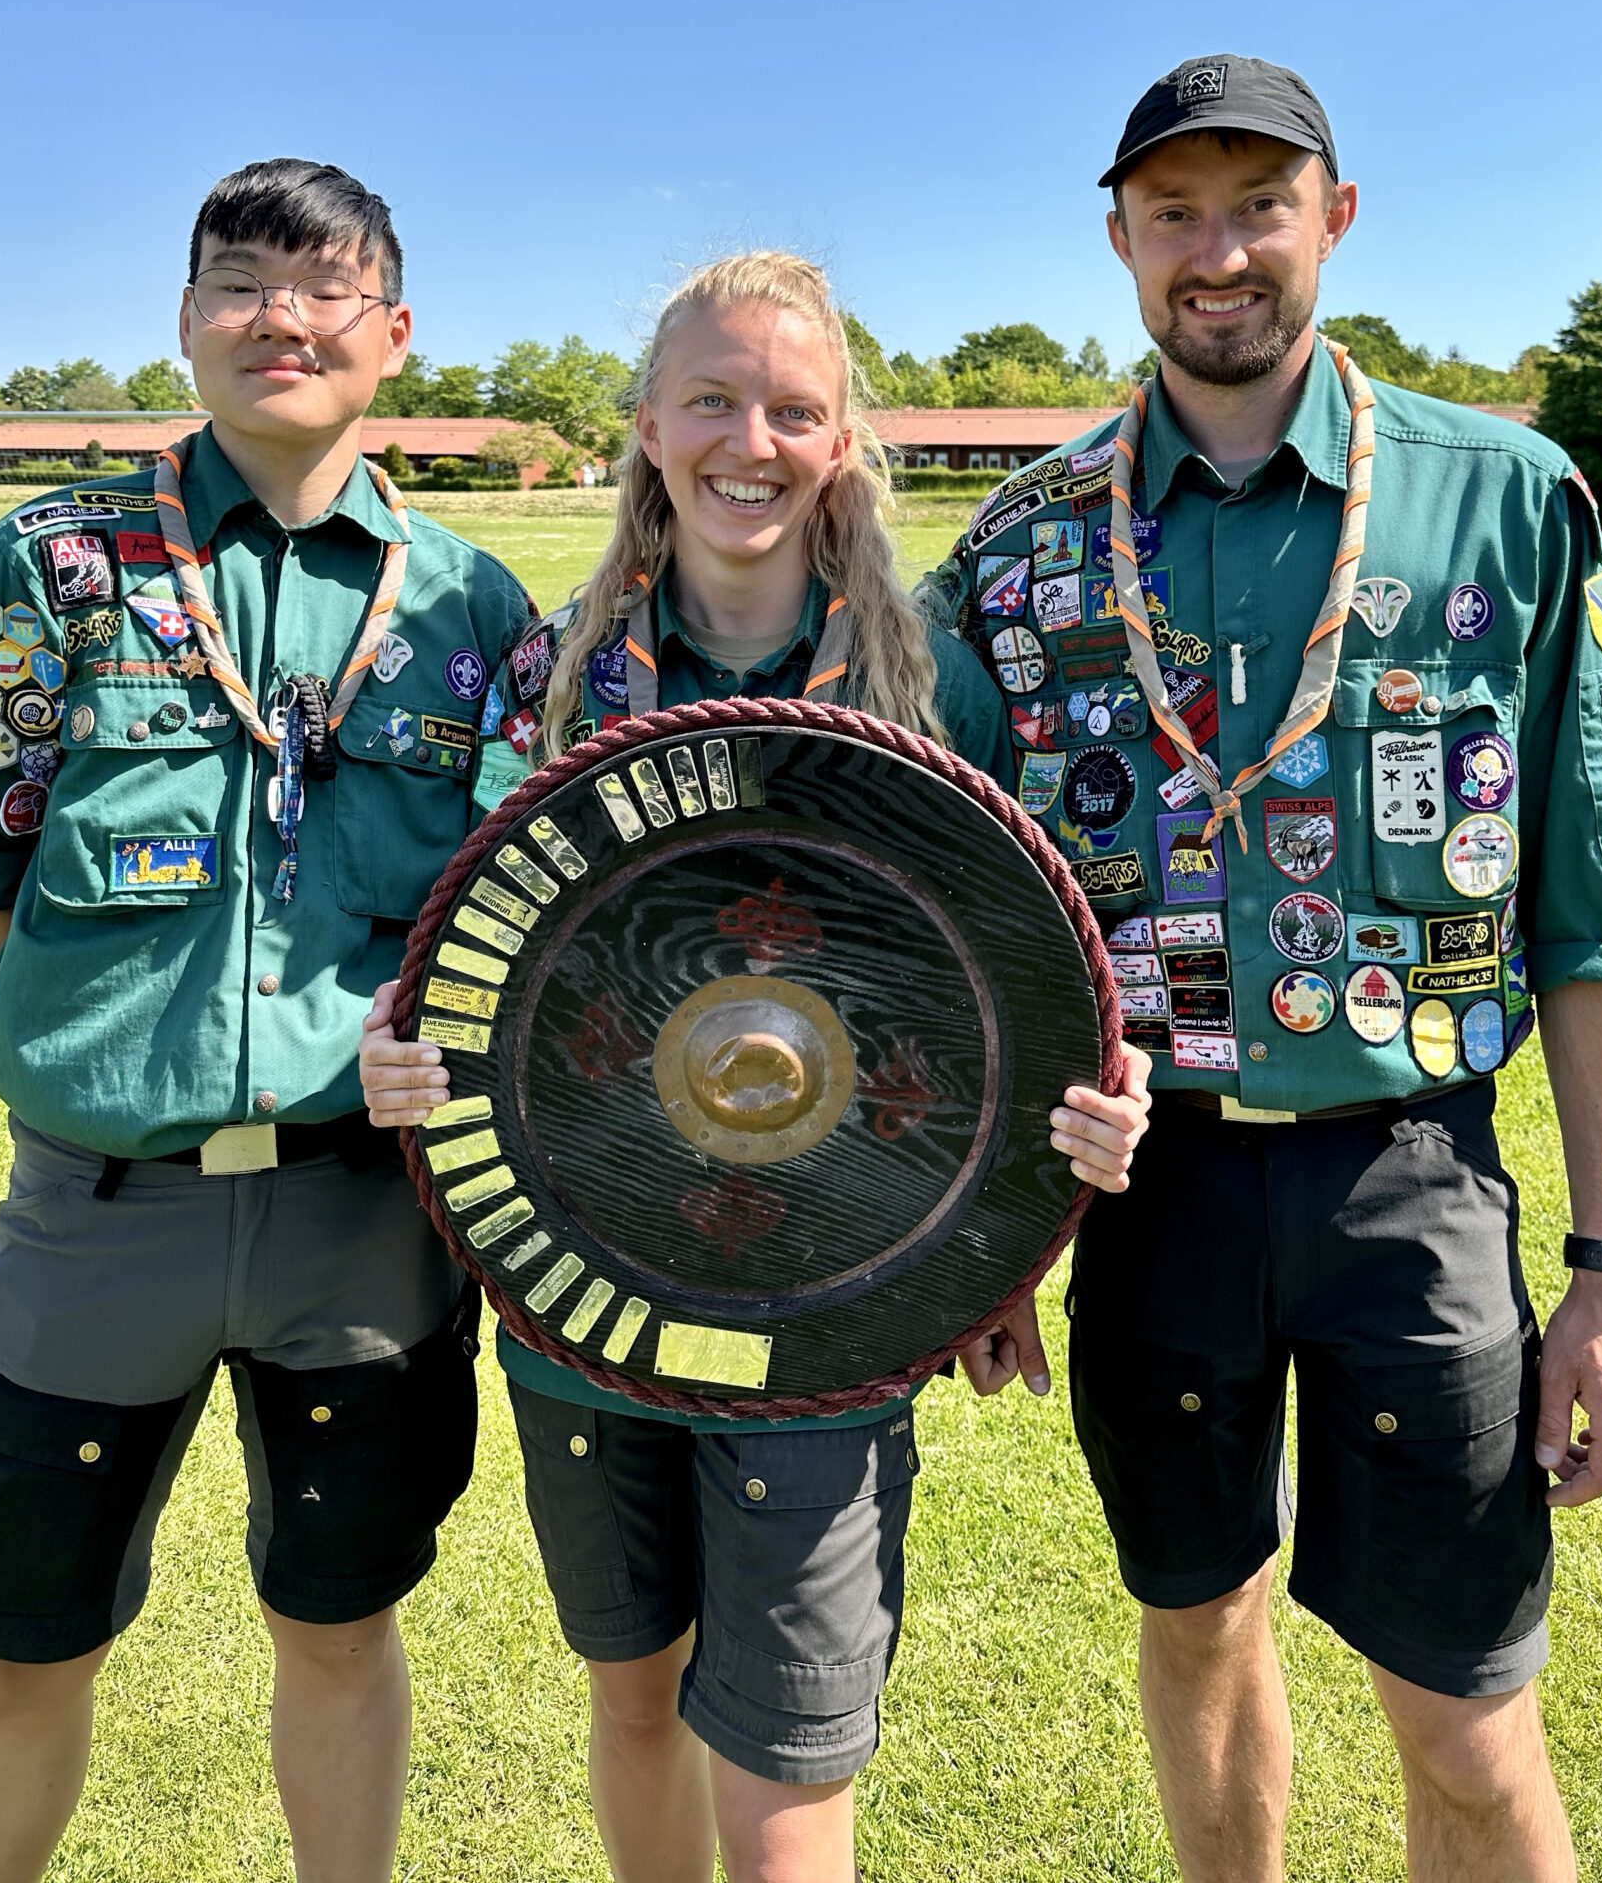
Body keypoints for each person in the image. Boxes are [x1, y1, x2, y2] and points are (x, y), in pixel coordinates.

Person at [919, 57, 1602, 1883]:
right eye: (1173, 211)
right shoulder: (1021, 552)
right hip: (1149, 1183)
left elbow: (1601, 907)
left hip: (1406, 1171)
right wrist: (980, 1229)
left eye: (1258, 201)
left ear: (1335, 218)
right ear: (1118, 240)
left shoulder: (1502, 500)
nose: (1217, 251)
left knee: (1469, 1711)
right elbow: (958, 923)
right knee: (1197, 1627)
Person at [360, 250, 1150, 1883]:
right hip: (588, 1299)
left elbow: (1015, 1003)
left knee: (791, 1766)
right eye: (711, 398)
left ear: (843, 439)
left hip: (831, 1307)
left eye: (794, 409)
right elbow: (469, 979)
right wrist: (402, 1063)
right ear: (647, 424)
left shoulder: (930, 695)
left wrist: (1011, 1223)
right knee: (634, 1693)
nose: (750, 440)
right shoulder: (550, 681)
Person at [0, 159, 534, 1883]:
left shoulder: (477, 617)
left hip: (363, 1225)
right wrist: (149, 1059)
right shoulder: (45, 570)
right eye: (241, 281)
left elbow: (513, 914)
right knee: (23, 1652)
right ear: (186, 322)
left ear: (392, 335)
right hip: (100, 1220)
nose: (282, 317)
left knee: (339, 1630)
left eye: (328, 288)